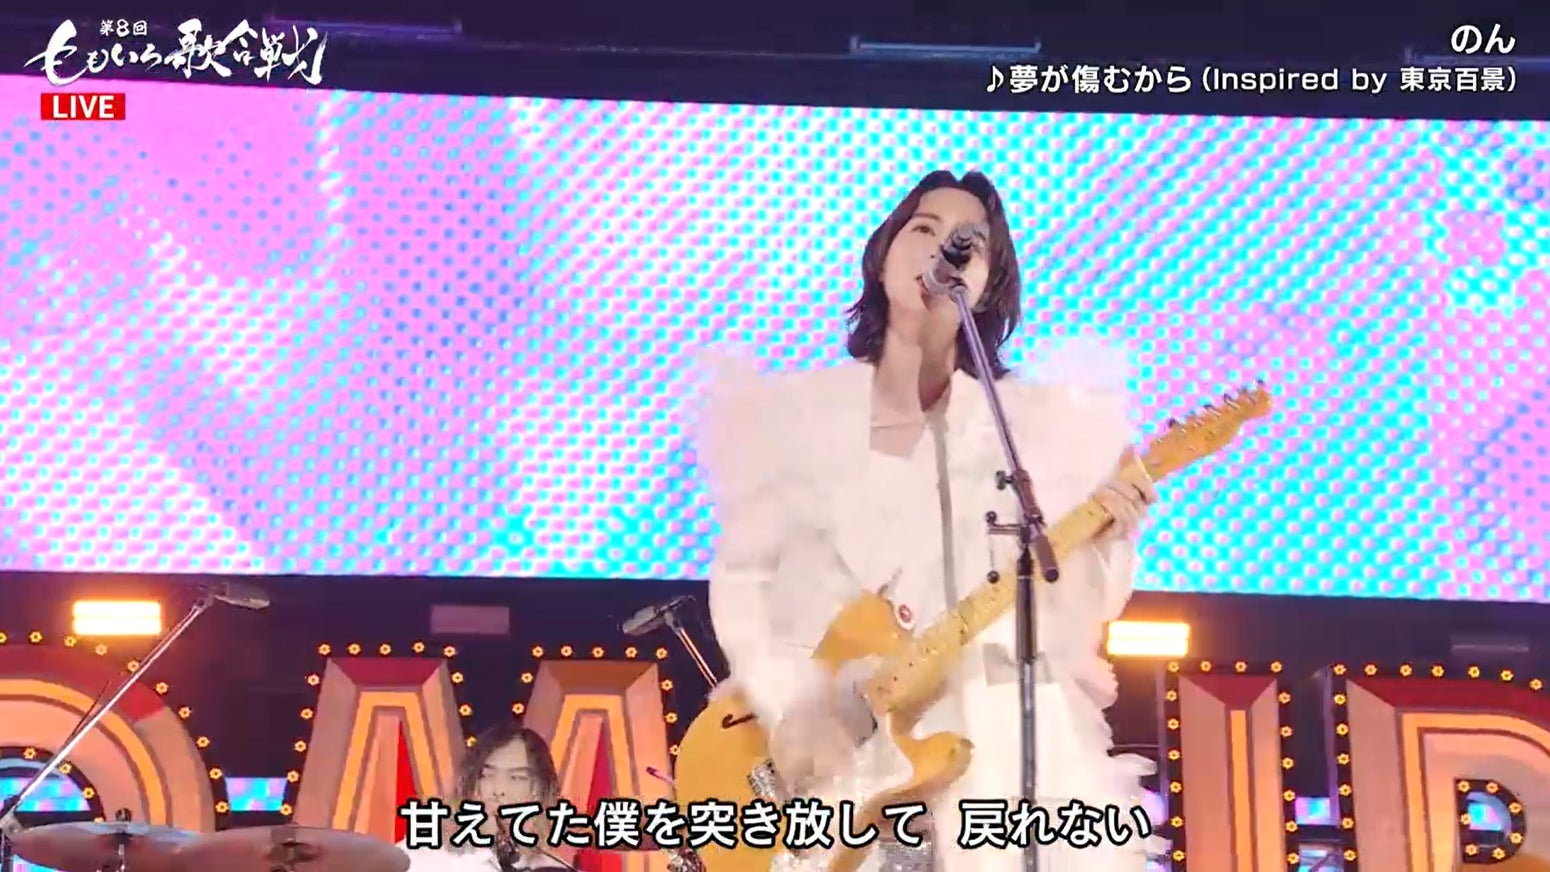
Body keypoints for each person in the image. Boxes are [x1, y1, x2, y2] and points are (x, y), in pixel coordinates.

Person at [698, 169, 1163, 872]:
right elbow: (745, 580)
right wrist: (793, 702)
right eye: (924, 229)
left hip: (996, 750)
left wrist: (1109, 536)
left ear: (988, 285)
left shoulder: (1023, 431)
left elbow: (1074, 612)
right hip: (843, 748)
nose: (945, 249)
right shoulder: (797, 417)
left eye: (970, 243)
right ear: (883, 254)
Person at [399, 722, 570, 871]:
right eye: (487, 775)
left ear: (539, 790)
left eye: (516, 778)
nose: (498, 790)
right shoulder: (425, 854)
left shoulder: (549, 866)